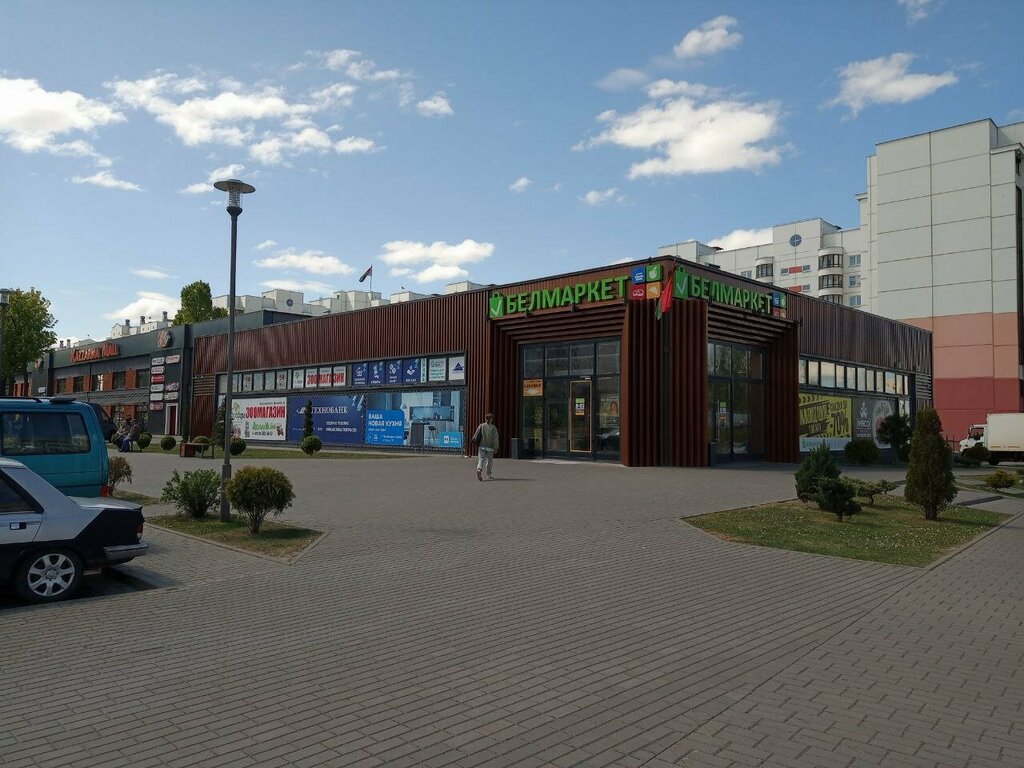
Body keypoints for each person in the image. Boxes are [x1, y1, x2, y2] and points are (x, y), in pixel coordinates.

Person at [471, 413, 499, 481]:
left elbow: (476, 434)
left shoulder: (481, 426)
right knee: (489, 461)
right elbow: (495, 439)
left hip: (482, 446)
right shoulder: (493, 428)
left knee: (481, 459)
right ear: (491, 419)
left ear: (485, 419)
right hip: (490, 447)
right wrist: (496, 448)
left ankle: (479, 469)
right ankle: (489, 475)